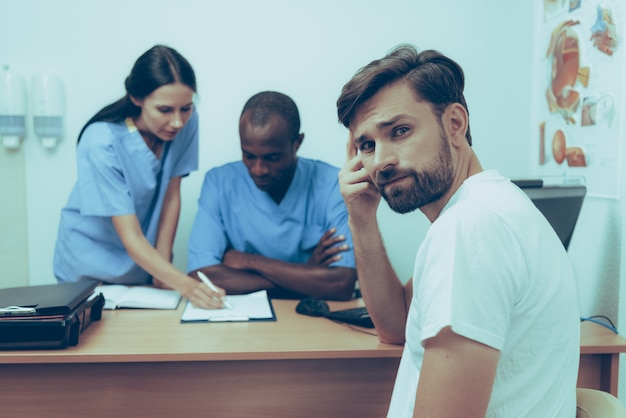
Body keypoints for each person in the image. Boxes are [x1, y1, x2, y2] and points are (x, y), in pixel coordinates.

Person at [337, 45, 580, 417]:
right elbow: (396, 326)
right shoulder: (489, 207)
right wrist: (362, 218)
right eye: (366, 145)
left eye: (399, 131)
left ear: (454, 124)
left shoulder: (470, 228)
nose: (380, 161)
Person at [54, 45, 223, 309]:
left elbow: (171, 195)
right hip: (88, 268)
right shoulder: (100, 141)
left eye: (186, 108)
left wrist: (162, 268)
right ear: (136, 98)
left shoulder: (187, 123)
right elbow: (130, 236)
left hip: (141, 268)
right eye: (165, 110)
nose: (177, 121)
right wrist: (188, 286)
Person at [187, 91, 357, 300]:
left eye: (273, 158)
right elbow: (200, 276)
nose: (258, 170)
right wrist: (304, 276)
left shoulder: (333, 184)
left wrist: (251, 262)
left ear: (297, 143)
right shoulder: (219, 183)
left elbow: (341, 284)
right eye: (248, 156)